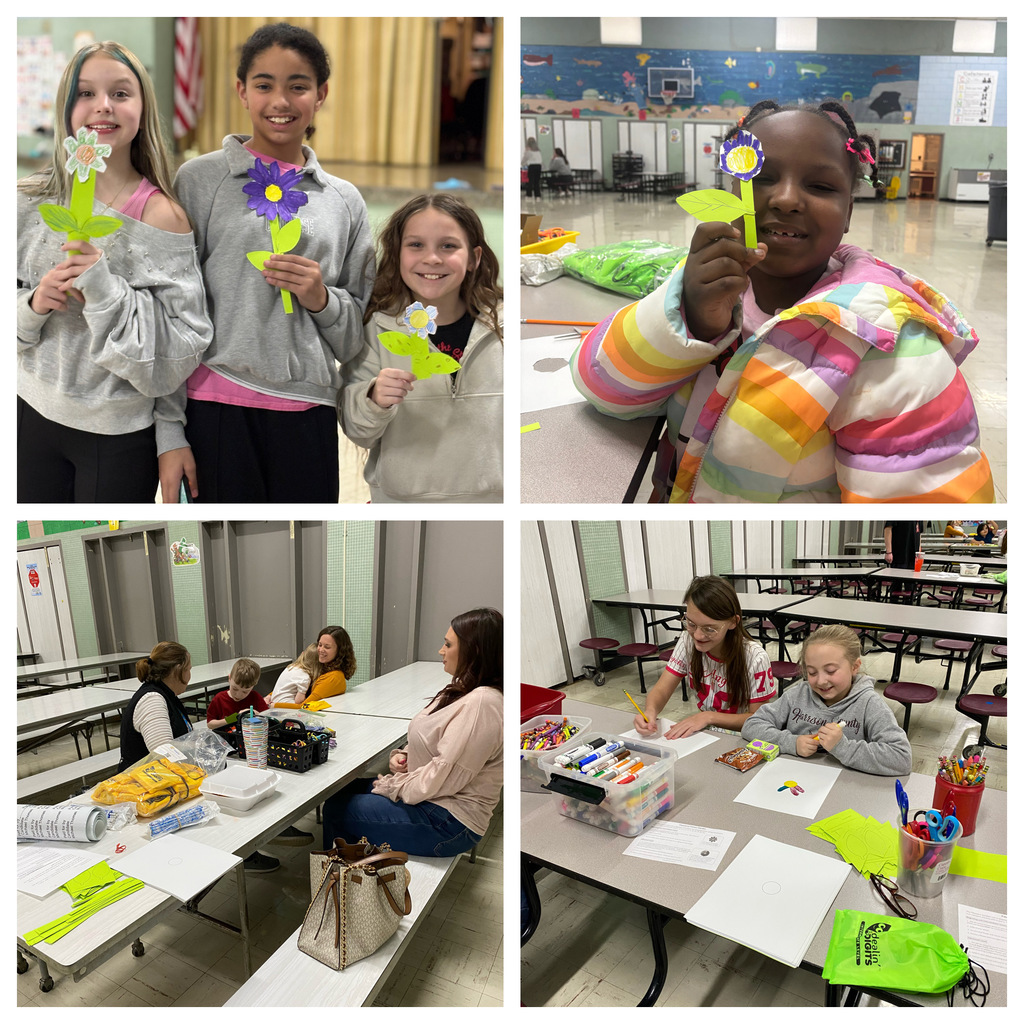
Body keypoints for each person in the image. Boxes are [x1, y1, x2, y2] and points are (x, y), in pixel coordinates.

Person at [572, 99, 993, 503]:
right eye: (763, 177)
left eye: (820, 185)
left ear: (848, 212)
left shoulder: (888, 345)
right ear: (732, 189)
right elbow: (604, 389)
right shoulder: (697, 290)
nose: (786, 199)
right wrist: (694, 320)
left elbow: (923, 490)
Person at [173, 22, 374, 502]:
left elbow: (356, 339)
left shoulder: (344, 201)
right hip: (213, 407)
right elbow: (171, 311)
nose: (280, 101)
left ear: (321, 94)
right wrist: (168, 429)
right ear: (242, 91)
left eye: (298, 86)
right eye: (264, 85)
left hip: (307, 410)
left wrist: (321, 298)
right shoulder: (199, 181)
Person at [17, 41, 212, 502]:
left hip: (118, 432)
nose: (103, 105)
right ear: (66, 109)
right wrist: (31, 306)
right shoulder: (26, 201)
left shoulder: (162, 216)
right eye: (85, 93)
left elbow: (180, 349)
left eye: (121, 93)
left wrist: (104, 291)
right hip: (29, 411)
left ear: (143, 109)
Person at [339, 193, 503, 502]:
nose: (432, 258)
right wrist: (373, 398)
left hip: (495, 504)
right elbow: (358, 430)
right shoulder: (376, 327)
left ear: (474, 258)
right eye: (416, 245)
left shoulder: (503, 328)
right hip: (403, 505)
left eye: (448, 246)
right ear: (397, 254)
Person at [321, 608, 503, 857]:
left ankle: (344, 883)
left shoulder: (483, 702)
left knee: (337, 808)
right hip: (434, 799)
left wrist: (395, 787)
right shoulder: (463, 689)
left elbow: (446, 774)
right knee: (341, 791)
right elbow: (438, 741)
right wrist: (406, 755)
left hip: (449, 821)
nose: (441, 651)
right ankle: (353, 874)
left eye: (448, 644)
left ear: (475, 651)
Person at [741, 624, 912, 775]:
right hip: (794, 778)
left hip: (844, 787)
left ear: (854, 667)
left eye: (830, 671)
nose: (821, 681)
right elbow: (752, 725)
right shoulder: (798, 694)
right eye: (812, 672)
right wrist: (792, 743)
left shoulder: (869, 703)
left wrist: (842, 747)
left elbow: (901, 758)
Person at [632, 576, 775, 738]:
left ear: (733, 622)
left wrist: (708, 716)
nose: (698, 635)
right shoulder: (687, 641)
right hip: (708, 733)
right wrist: (650, 711)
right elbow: (661, 690)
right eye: (691, 624)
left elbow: (758, 719)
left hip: (741, 737)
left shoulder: (755, 657)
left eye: (709, 629)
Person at [273, 626, 354, 708]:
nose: (321, 650)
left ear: (340, 651)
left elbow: (304, 707)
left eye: (327, 647)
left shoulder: (334, 678)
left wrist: (272, 705)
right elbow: (291, 685)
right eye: (320, 645)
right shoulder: (321, 666)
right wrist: (271, 696)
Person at [206, 657, 267, 730]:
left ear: (253, 686)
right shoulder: (219, 699)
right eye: (235, 688)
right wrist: (234, 718)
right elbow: (210, 724)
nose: (238, 695)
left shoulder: (255, 698)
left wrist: (256, 716)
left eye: (245, 691)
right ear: (229, 678)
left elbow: (268, 720)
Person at [268, 642, 320, 707]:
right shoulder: (305, 678)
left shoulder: (291, 667)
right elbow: (298, 701)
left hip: (274, 699)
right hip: (284, 704)